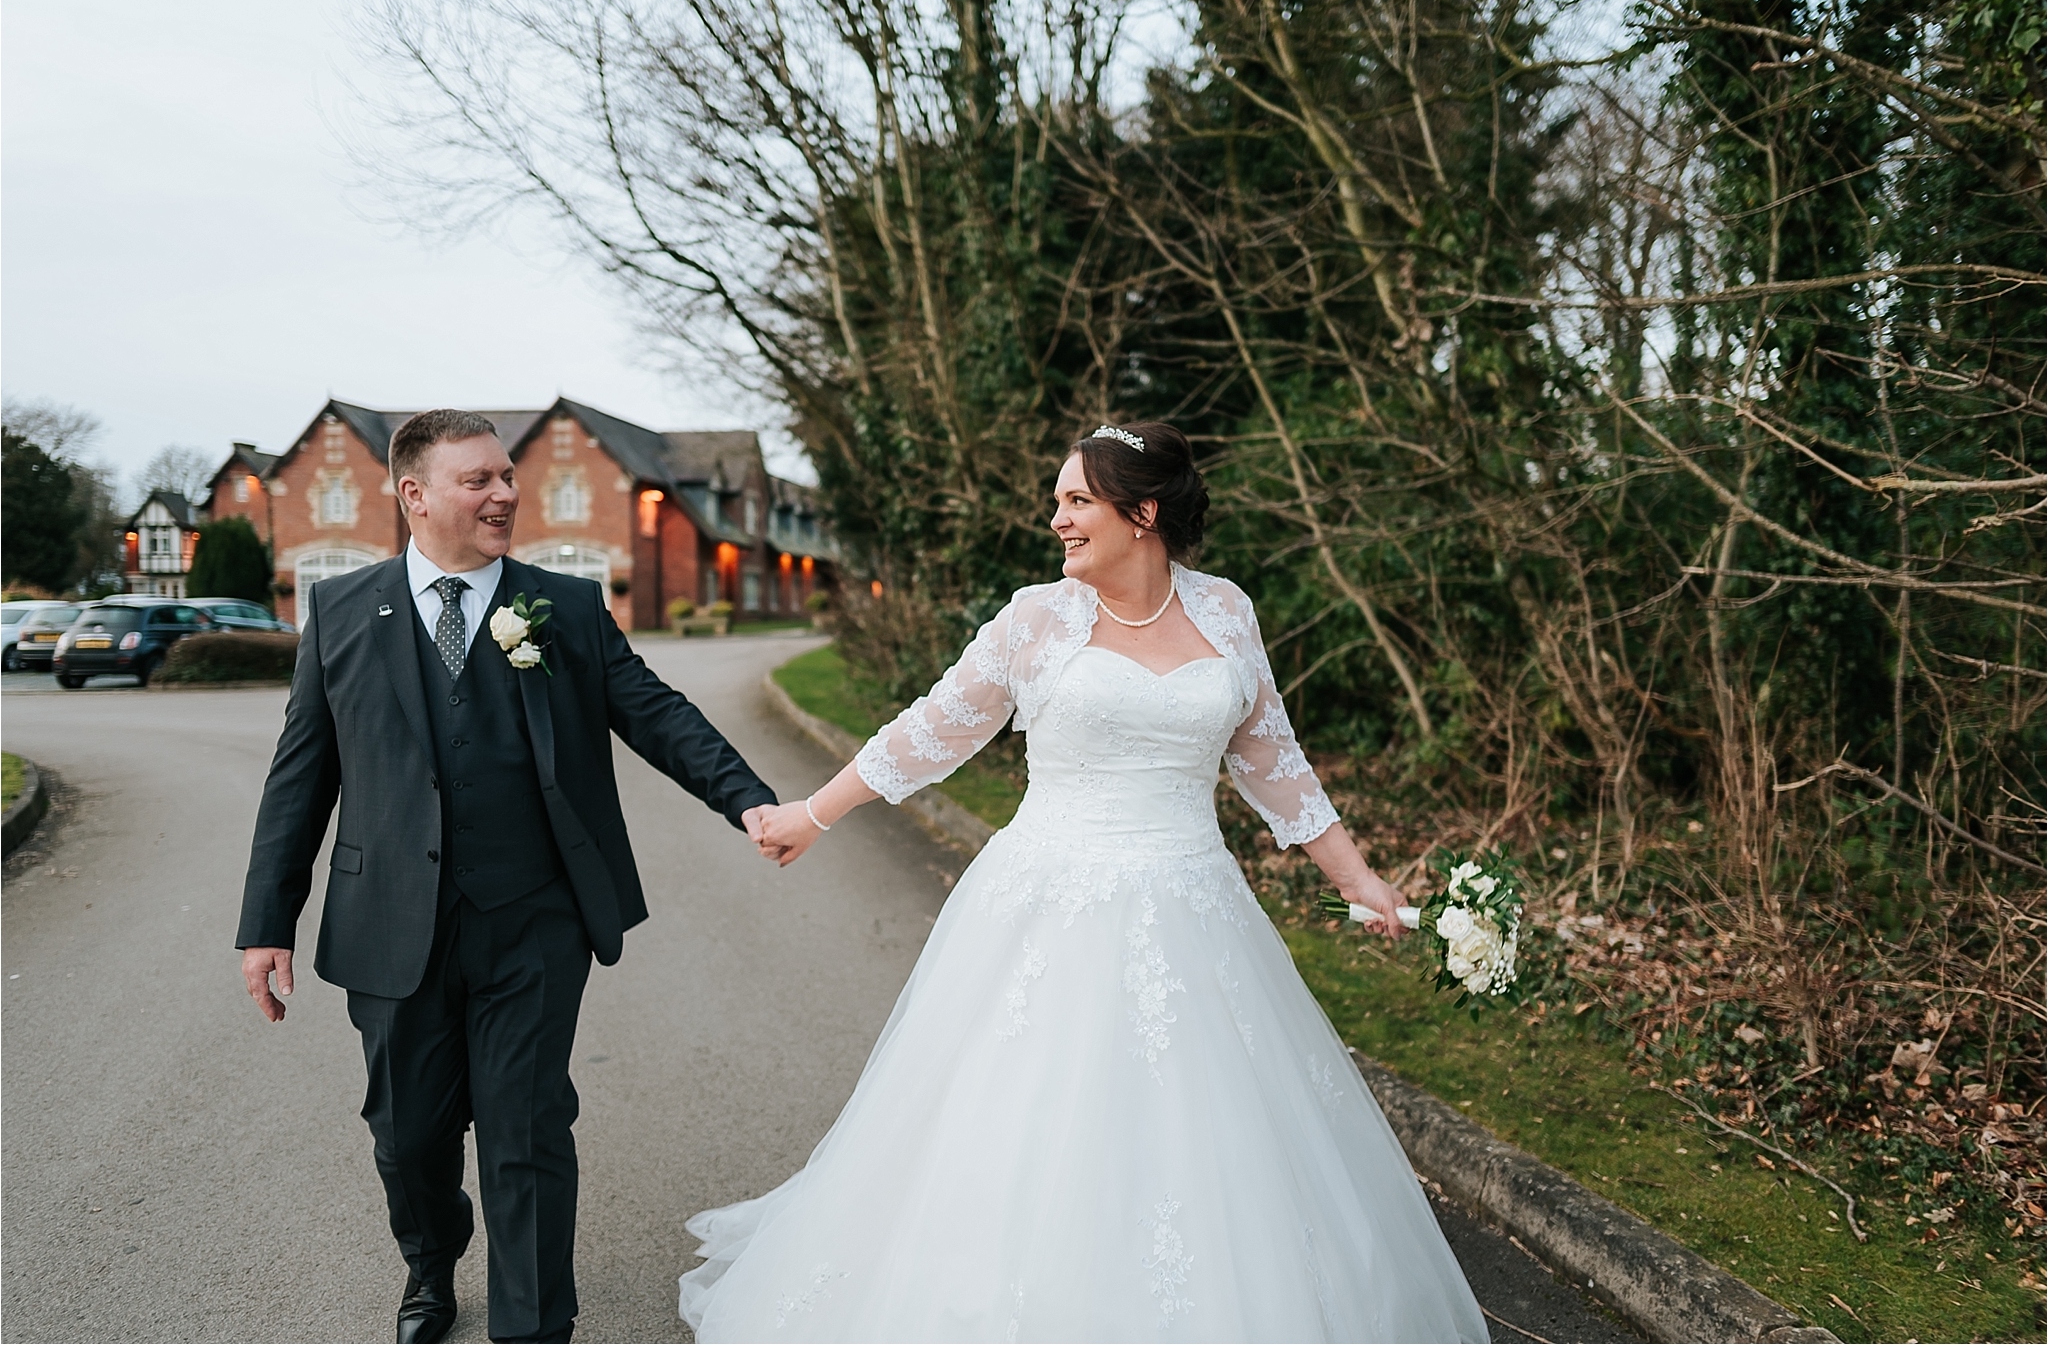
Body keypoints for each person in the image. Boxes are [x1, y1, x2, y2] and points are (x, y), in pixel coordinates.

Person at [683, 422, 1486, 1341]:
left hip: (1195, 907)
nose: (1056, 518)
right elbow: (933, 728)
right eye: (1059, 500)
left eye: (1076, 501)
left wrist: (1360, 880)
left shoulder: (1227, 612)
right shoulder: (1036, 619)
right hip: (1044, 907)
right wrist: (812, 815)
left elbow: (1271, 760)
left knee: (1205, 1139)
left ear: (1142, 514)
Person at [236, 409, 780, 1345]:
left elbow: (655, 712)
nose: (504, 495)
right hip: (388, 923)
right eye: (478, 480)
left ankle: (532, 1328)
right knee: (408, 1141)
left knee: (526, 1131)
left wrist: (749, 800)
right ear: (414, 494)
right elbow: (301, 776)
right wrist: (265, 921)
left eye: (507, 478)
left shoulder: (561, 607)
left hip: (534, 919)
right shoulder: (338, 615)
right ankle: (430, 1266)